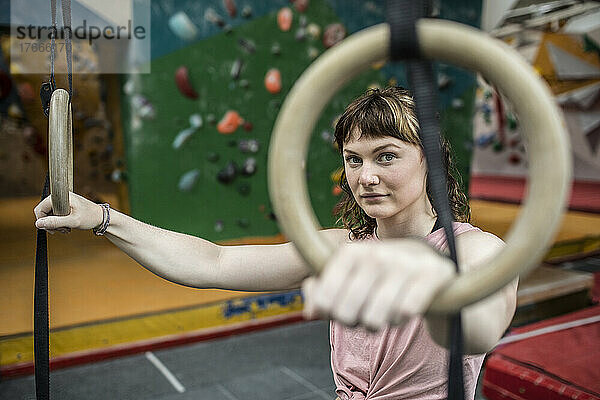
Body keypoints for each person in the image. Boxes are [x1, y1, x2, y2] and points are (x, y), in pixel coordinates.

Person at [34, 86, 517, 400]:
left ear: (429, 159)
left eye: (386, 156)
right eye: (353, 160)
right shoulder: (337, 247)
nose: (365, 177)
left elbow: (478, 327)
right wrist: (101, 217)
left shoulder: (476, 251)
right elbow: (212, 264)